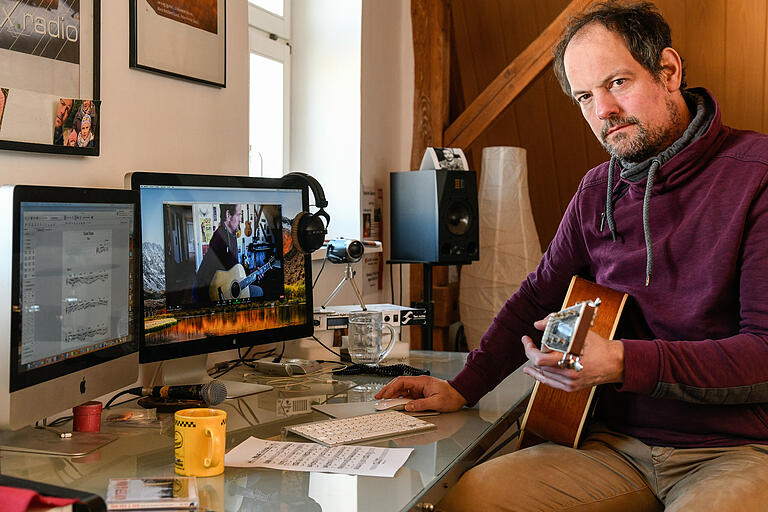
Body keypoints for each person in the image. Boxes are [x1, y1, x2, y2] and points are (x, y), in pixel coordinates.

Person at [376, 2, 768, 510]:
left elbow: (764, 350)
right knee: (469, 496)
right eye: (585, 95)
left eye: (618, 83)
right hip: (612, 447)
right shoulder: (596, 190)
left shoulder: (756, 176)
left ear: (668, 71)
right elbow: (536, 294)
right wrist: (463, 387)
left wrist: (624, 361)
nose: (602, 110)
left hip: (734, 451)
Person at [193, 203, 262, 303]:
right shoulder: (219, 239)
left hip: (225, 286)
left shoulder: (231, 235)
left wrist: (251, 273)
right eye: (238, 215)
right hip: (210, 294)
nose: (240, 220)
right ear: (228, 215)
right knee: (259, 292)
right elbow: (221, 277)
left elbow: (233, 270)